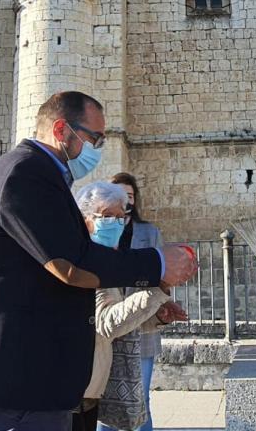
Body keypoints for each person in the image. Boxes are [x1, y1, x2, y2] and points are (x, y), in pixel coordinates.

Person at [0, 91, 197, 431]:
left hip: (36, 379)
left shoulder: (42, 176)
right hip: (12, 380)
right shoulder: (25, 174)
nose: (98, 147)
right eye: (95, 137)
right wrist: (157, 264)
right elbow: (71, 266)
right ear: (62, 129)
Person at [72, 182, 187, 431]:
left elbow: (115, 318)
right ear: (85, 220)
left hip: (92, 388)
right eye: (107, 216)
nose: (115, 223)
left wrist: (156, 317)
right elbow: (107, 323)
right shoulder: (84, 262)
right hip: (76, 388)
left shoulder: (105, 258)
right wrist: (157, 289)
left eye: (120, 217)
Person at [104, 173, 178, 431]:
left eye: (130, 196)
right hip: (107, 327)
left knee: (141, 401)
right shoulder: (101, 232)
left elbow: (162, 276)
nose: (125, 201)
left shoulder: (150, 232)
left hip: (141, 325)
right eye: (119, 195)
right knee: (103, 405)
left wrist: (164, 308)